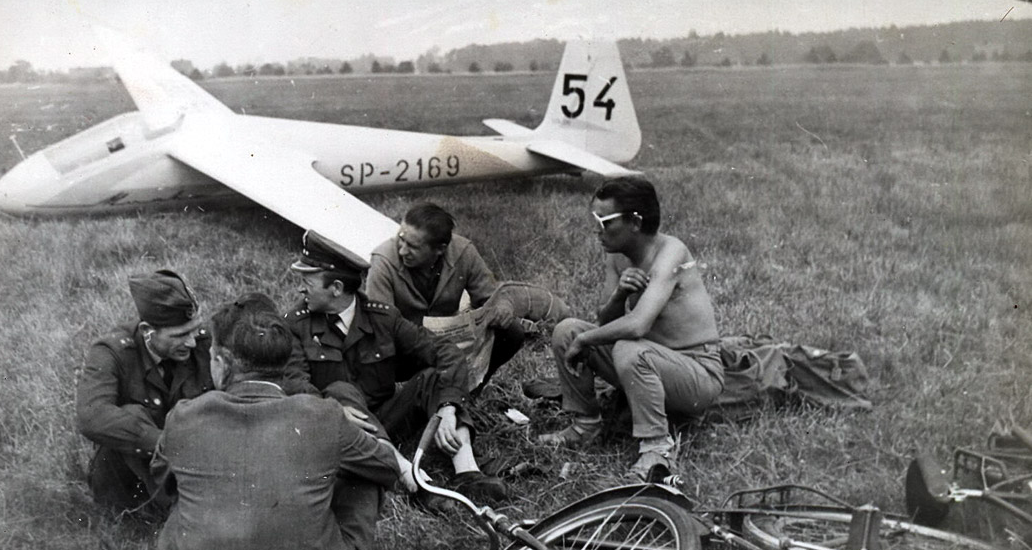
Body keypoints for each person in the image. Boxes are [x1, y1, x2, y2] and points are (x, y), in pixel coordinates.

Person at [150, 299, 401, 550]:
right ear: (284, 367)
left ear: (220, 364)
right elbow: (386, 467)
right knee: (362, 480)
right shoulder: (322, 416)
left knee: (186, 497)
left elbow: (163, 486)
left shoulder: (184, 418)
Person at [283, 231, 508, 503]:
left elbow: (445, 353)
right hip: (338, 428)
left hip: (387, 419)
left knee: (433, 378)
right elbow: (295, 383)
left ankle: (468, 473)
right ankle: (411, 479)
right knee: (340, 390)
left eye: (307, 281)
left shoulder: (383, 317)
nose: (300, 289)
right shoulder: (295, 325)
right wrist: (334, 410)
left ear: (337, 288)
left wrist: (448, 407)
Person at [538, 176, 724, 484]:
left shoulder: (671, 253)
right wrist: (619, 295)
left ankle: (657, 449)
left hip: (696, 373)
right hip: (649, 362)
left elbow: (637, 325)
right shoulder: (616, 255)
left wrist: (586, 340)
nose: (597, 231)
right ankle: (586, 424)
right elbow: (606, 324)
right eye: (595, 221)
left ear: (635, 221)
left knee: (623, 346)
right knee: (567, 330)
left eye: (604, 222)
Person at [76, 269, 212, 512]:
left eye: (194, 329)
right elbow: (91, 416)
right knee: (130, 415)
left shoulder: (202, 343)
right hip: (132, 475)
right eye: (180, 335)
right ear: (148, 331)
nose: (192, 342)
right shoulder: (111, 351)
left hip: (196, 464)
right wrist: (165, 444)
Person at [365, 202, 525, 389]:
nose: (402, 251)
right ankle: (411, 400)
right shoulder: (383, 261)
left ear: (440, 249)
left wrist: (502, 307)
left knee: (512, 332)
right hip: (404, 348)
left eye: (413, 247)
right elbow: (381, 326)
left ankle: (469, 389)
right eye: (401, 239)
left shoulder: (464, 251)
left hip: (449, 344)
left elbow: (492, 294)